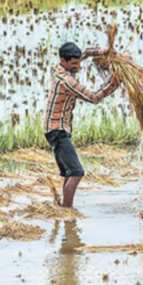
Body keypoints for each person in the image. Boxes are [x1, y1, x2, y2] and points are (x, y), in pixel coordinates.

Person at [43, 42, 120, 208]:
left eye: (79, 62)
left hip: (56, 128)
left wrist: (105, 51)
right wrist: (114, 83)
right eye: (74, 64)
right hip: (57, 130)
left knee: (69, 173)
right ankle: (67, 212)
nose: (79, 66)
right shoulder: (66, 81)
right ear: (64, 61)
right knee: (77, 172)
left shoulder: (63, 67)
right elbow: (93, 98)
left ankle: (64, 207)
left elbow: (85, 52)